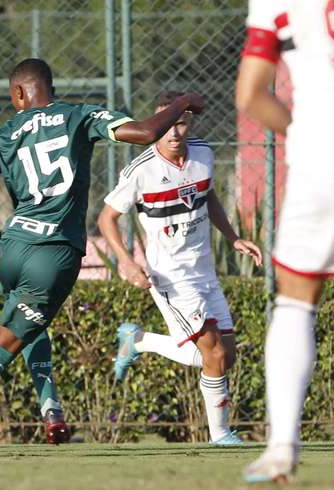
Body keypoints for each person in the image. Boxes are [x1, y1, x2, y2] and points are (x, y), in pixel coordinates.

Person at [0, 58, 204, 452]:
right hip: (54, 255)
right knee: (1, 348)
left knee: (31, 326)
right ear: (50, 87)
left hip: (13, 247)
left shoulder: (3, 132)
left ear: (18, 93)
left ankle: (51, 409)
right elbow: (148, 131)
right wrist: (183, 101)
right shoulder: (79, 115)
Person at [97, 90, 263, 446]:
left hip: (205, 271)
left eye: (181, 123)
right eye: (166, 125)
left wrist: (233, 238)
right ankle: (220, 435)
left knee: (224, 357)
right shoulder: (141, 171)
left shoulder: (203, 153)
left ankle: (139, 340)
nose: (173, 132)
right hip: (169, 277)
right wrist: (126, 262)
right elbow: (106, 218)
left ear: (191, 123)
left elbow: (208, 196)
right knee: (214, 353)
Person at [235, 0, 333, 483]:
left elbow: (251, 94)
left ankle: (281, 447)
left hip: (321, 155)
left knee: (296, 300)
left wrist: (306, 134)